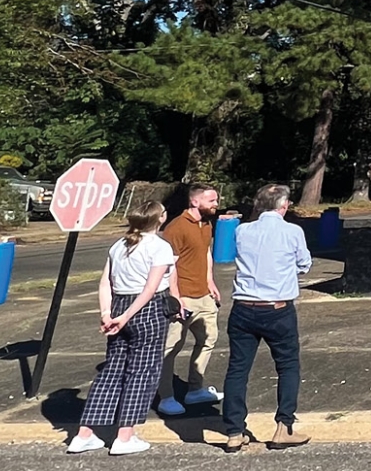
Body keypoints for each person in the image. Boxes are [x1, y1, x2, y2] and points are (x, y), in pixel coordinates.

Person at [66, 201, 176, 456]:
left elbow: (105, 283)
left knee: (112, 370)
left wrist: (107, 313)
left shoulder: (119, 245)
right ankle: (125, 435)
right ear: (160, 219)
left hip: (118, 304)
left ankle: (85, 433)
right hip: (145, 308)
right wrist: (127, 316)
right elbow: (151, 288)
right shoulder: (159, 247)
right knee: (142, 371)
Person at [220, 183, 312, 452]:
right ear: (283, 206)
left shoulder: (243, 230)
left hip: (243, 306)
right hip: (277, 307)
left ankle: (234, 431)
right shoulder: (292, 231)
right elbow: (304, 264)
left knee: (238, 368)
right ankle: (284, 426)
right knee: (287, 365)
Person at [155, 184, 222, 417]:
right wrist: (175, 298)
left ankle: (195, 389)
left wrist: (210, 282)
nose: (216, 204)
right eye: (212, 200)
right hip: (182, 296)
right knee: (171, 347)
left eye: (216, 200)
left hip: (203, 295)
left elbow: (205, 252)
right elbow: (167, 265)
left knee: (209, 338)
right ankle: (166, 397)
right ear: (195, 202)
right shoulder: (176, 228)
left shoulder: (206, 224)